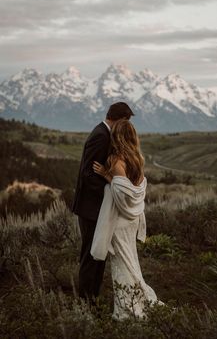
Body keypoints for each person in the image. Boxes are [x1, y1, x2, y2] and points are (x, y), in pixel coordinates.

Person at [91, 119, 164, 320]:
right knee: (131, 261)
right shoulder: (137, 159)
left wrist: (107, 176)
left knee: (122, 264)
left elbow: (122, 194)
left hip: (121, 220)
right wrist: (111, 178)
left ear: (117, 137)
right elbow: (136, 191)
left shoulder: (116, 160)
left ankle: (127, 310)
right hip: (133, 219)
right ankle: (136, 301)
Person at [72, 102, 134, 304]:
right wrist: (111, 193)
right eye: (127, 121)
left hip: (97, 208)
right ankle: (85, 303)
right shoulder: (100, 135)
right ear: (120, 119)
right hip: (91, 208)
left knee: (98, 255)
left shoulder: (104, 133)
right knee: (91, 256)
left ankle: (92, 300)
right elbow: (88, 175)